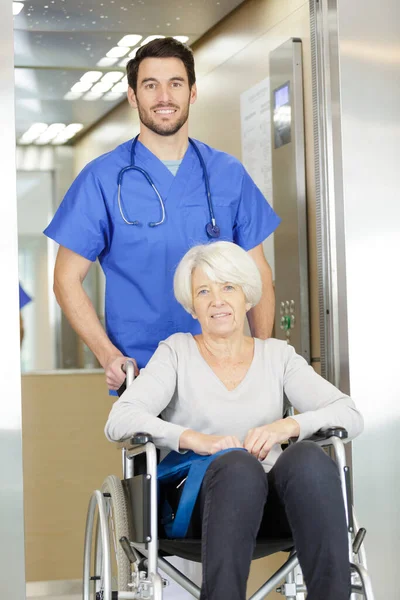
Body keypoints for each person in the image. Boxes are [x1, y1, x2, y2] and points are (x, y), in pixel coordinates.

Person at [105, 241, 364, 600]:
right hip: (197, 504)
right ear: (192, 306)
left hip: (275, 507)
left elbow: (349, 413)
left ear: (248, 296)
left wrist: (288, 427)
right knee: (238, 466)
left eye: (228, 287)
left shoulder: (278, 357)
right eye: (203, 291)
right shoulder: (175, 353)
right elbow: (120, 419)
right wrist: (194, 438)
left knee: (306, 457)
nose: (217, 300)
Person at [43, 37, 281, 392]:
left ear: (193, 92)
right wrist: (108, 355)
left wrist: (262, 356)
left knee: (236, 450)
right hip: (143, 373)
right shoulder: (102, 178)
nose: (164, 97)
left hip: (228, 369)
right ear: (132, 96)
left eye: (176, 84)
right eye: (150, 85)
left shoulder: (227, 173)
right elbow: (65, 279)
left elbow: (257, 271)